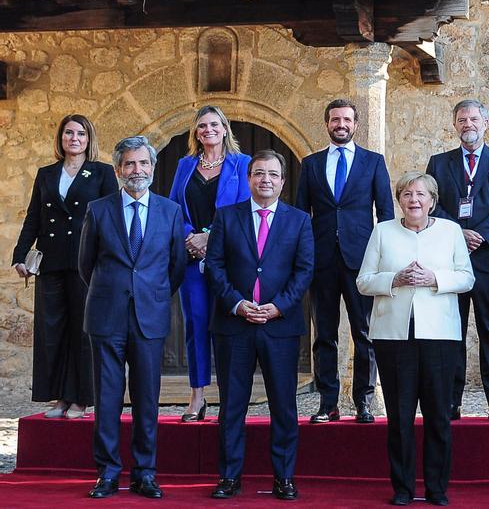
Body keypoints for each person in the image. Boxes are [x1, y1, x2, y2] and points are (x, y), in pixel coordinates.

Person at [78, 136, 186, 499]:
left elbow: (176, 267)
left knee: (146, 398)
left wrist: (150, 295)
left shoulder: (170, 211)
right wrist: (113, 291)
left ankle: (144, 473)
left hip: (150, 318)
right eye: (129, 164)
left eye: (143, 164)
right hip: (106, 316)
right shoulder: (98, 209)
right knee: (107, 398)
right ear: (118, 169)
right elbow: (85, 265)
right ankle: (107, 473)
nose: (136, 171)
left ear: (152, 170)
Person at [358, 172, 475, 506]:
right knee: (400, 415)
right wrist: (394, 278)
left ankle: (437, 487)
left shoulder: (451, 231)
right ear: (399, 199)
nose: (413, 200)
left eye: (420, 194)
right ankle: (403, 487)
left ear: (432, 200)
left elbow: (467, 278)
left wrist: (433, 278)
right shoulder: (382, 232)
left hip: (439, 334)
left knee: (438, 413)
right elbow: (363, 281)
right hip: (393, 336)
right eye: (407, 194)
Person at [205, 150, 314, 501]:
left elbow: (304, 270)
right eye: (258, 173)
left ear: (283, 181)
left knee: (283, 405)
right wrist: (237, 304)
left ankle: (284, 477)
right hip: (234, 325)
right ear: (249, 179)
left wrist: (278, 306)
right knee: (231, 406)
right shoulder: (226, 217)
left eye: (272, 174)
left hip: (279, 326)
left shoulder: (299, 220)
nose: (265, 179)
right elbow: (216, 267)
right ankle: (229, 477)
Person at [295, 98, 395, 423]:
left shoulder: (373, 162)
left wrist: (386, 257)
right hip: (322, 261)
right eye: (335, 119)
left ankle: (363, 401)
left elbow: (387, 214)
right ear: (327, 123)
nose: (341, 124)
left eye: (347, 119)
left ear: (355, 124)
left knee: (364, 333)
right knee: (324, 335)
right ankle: (328, 403)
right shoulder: (310, 164)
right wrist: (303, 256)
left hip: (361, 260)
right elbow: (299, 215)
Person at [12, 114, 117, 420]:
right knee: (51, 330)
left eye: (80, 134)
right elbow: (34, 217)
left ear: (89, 139)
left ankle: (81, 399)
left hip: (85, 264)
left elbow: (109, 220)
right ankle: (59, 396)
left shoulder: (101, 173)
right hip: (51, 261)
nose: (74, 138)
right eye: (69, 133)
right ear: (60, 138)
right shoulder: (46, 174)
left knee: (82, 332)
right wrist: (20, 255)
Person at [424, 99, 489, 423]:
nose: (468, 124)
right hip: (450, 262)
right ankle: (452, 402)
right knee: (452, 333)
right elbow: (430, 205)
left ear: (485, 123)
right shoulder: (439, 164)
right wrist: (458, 233)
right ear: (455, 125)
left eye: (474, 118)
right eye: (462, 119)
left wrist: (479, 234)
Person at [166, 105, 252, 421]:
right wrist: (190, 236)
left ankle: (231, 397)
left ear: (225, 129)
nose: (208, 130)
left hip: (228, 260)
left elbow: (244, 209)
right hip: (192, 261)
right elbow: (175, 208)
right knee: (196, 326)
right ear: (196, 133)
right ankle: (198, 395)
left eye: (214, 124)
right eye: (202, 126)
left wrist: (210, 237)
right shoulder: (184, 165)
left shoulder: (242, 164)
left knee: (229, 326)